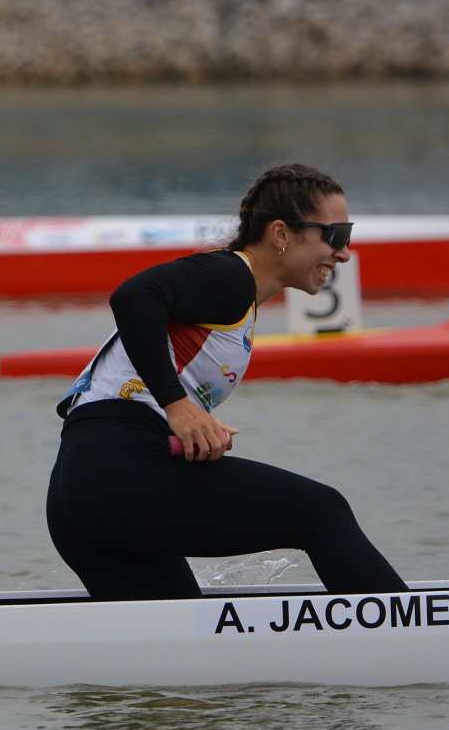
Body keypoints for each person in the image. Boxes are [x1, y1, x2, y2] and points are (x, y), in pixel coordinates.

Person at [45, 163, 408, 601]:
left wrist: (184, 423)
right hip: (114, 471)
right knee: (322, 511)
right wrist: (178, 407)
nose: (344, 252)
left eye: (347, 237)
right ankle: (417, 639)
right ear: (281, 234)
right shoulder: (232, 275)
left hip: (85, 485)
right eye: (335, 235)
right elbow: (134, 295)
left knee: (181, 651)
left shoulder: (236, 299)